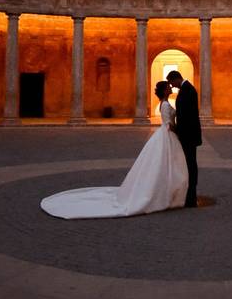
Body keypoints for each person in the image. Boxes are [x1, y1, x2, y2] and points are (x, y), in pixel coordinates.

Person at [40, 81, 188, 219]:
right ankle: (162, 192)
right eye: (168, 86)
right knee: (166, 164)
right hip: (167, 134)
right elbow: (169, 124)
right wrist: (180, 132)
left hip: (164, 135)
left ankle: (162, 190)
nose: (171, 88)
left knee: (162, 164)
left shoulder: (164, 103)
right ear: (164, 90)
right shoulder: (166, 105)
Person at [166, 70, 201, 208]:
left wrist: (178, 130)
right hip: (188, 134)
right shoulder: (186, 89)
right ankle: (189, 193)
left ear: (176, 79)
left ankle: (191, 194)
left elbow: (187, 116)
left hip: (189, 135)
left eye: (172, 83)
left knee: (190, 163)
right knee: (189, 162)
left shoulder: (188, 90)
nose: (172, 87)